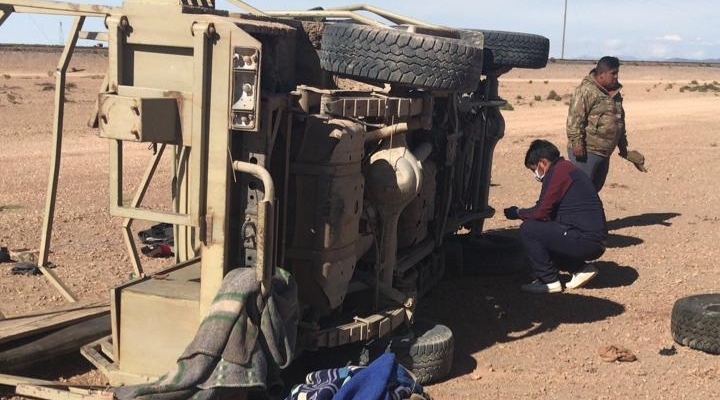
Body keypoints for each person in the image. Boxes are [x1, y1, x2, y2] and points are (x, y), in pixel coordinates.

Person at [504, 140, 608, 293]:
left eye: (534, 169)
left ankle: (548, 281)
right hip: (594, 239)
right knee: (544, 232)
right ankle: (580, 269)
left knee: (529, 229)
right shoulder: (567, 169)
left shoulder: (558, 173)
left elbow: (541, 211)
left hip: (586, 240)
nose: (535, 174)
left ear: (543, 162)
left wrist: (519, 213)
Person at [566, 56, 628, 192]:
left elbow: (619, 121)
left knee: (594, 189)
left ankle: (589, 213)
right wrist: (577, 143)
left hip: (605, 151)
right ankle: (571, 213)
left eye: (617, 73)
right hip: (587, 150)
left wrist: (623, 147)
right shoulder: (586, 91)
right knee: (582, 190)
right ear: (601, 74)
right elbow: (575, 120)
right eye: (613, 73)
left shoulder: (615, 93)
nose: (616, 77)